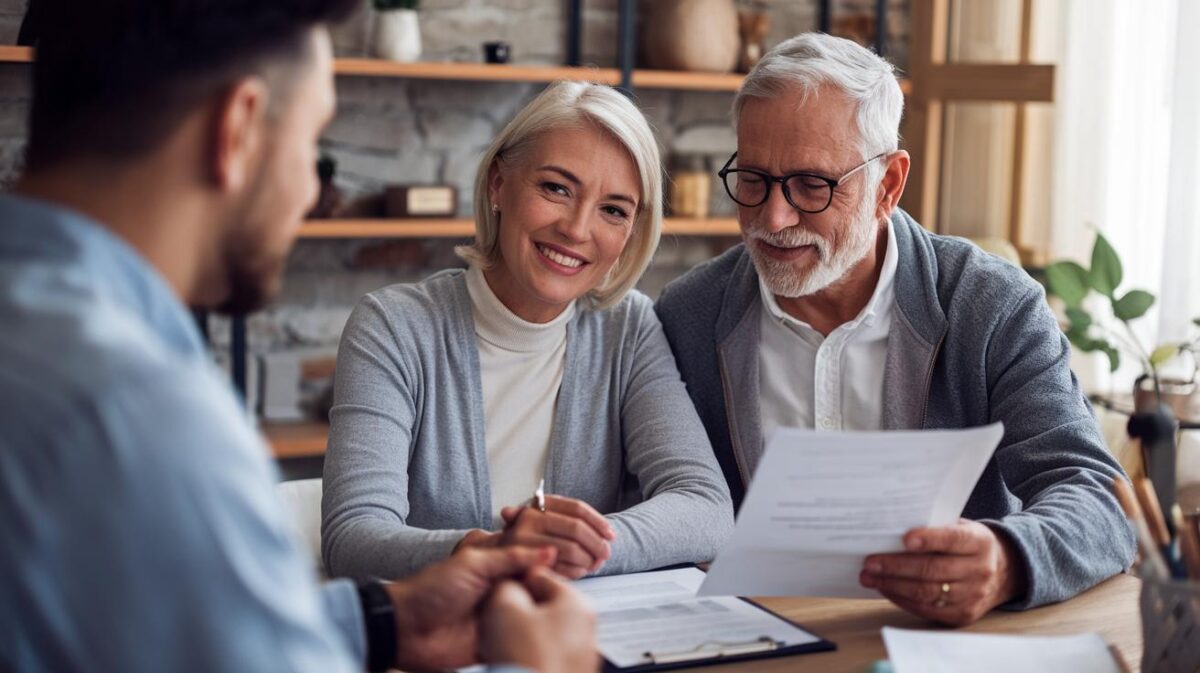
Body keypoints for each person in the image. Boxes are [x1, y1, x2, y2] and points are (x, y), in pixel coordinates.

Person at [0, 2, 597, 671]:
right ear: (240, 128)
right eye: (313, 144)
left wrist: (380, 622)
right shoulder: (139, 414)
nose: (312, 187)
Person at [654, 33, 1136, 627]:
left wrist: (1009, 559)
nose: (773, 219)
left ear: (887, 185)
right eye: (753, 178)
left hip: (947, 642)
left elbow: (1097, 494)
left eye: (812, 184)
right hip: (757, 642)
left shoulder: (992, 305)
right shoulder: (689, 315)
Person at [321, 81, 734, 582]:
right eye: (556, 188)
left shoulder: (628, 330)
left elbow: (706, 509)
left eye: (613, 210)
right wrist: (496, 551)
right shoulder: (393, 327)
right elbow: (353, 536)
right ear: (498, 184)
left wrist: (583, 546)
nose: (577, 230)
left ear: (629, 234)